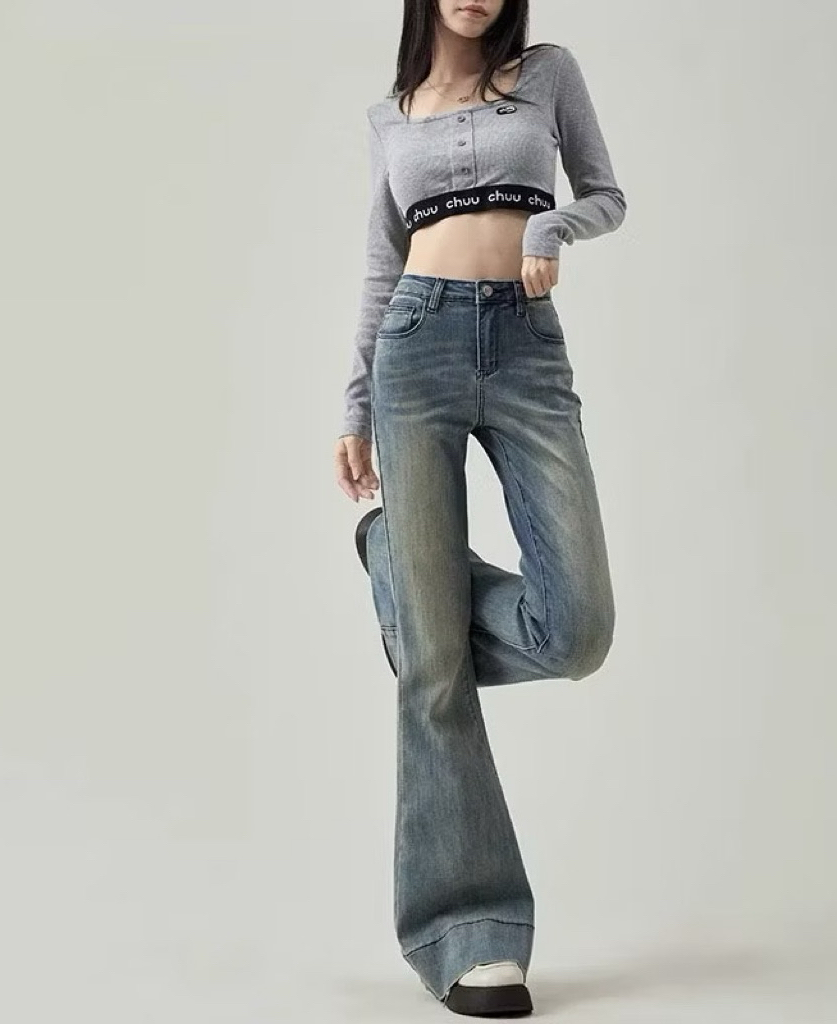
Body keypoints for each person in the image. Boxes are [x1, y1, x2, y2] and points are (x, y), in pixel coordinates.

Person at [333, 0, 626, 1015]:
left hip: (527, 346)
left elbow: (606, 194)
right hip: (413, 349)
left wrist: (553, 224)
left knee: (577, 629)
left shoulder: (547, 73)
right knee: (435, 671)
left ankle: (399, 564)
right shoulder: (390, 115)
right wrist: (353, 407)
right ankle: (469, 933)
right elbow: (382, 264)